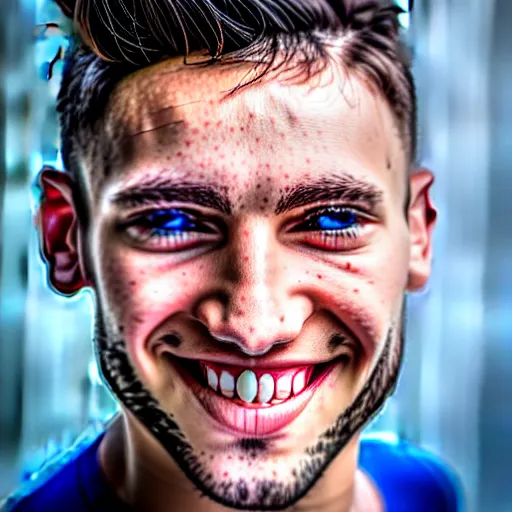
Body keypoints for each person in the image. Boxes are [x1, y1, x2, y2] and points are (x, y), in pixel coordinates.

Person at [2, 0, 464, 510]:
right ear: (67, 237)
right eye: (170, 222)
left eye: (332, 220)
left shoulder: (426, 490)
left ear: (417, 233)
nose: (255, 328)